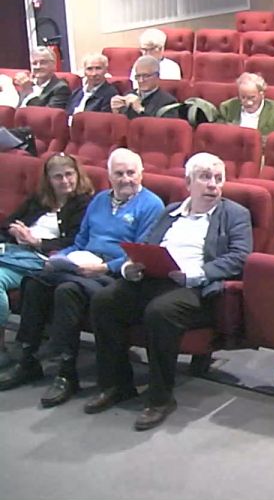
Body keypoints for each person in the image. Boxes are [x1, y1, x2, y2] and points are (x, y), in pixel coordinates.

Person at [87, 152, 252, 430]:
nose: (213, 185)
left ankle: (160, 397)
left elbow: (239, 257)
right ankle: (116, 385)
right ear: (188, 182)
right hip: (154, 278)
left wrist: (194, 274)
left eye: (218, 179)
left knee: (160, 312)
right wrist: (130, 267)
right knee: (105, 301)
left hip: (194, 287)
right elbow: (149, 245)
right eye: (205, 177)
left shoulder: (235, 214)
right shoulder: (170, 211)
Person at [0, 148, 165, 406]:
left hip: (114, 272)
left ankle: (66, 374)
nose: (126, 179)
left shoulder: (152, 205)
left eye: (131, 173)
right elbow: (80, 241)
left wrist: (103, 268)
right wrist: (60, 257)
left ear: (142, 174)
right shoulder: (99, 200)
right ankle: (27, 359)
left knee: (67, 290)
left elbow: (142, 253)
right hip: (82, 262)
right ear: (109, 176)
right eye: (119, 174)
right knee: (36, 279)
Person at [0, 153, 95, 367]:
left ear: (78, 175)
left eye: (69, 175)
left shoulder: (84, 204)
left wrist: (37, 242)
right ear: (49, 180)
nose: (65, 181)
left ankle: (2, 348)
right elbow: (9, 222)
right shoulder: (39, 200)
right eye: (58, 177)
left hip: (41, 259)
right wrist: (16, 231)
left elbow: (75, 241)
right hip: (15, 251)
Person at [218, 72, 274, 140]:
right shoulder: (227, 108)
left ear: (262, 94)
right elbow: (219, 135)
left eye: (252, 97)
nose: (248, 103)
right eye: (243, 97)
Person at [110, 56, 179, 119]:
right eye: (138, 76)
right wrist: (116, 112)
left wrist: (140, 110)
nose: (141, 80)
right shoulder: (128, 95)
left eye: (146, 76)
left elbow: (162, 129)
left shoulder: (168, 102)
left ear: (157, 76)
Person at [67, 53, 117, 118]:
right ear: (84, 72)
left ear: (106, 70)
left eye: (98, 68)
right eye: (89, 69)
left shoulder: (110, 94)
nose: (94, 74)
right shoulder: (76, 93)